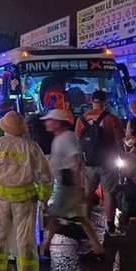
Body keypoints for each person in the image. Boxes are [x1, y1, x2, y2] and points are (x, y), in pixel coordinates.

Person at [0, 111, 52, 271]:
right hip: (26, 200)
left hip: (1, 198)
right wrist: (43, 196)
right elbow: (46, 176)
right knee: (25, 240)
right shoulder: (31, 147)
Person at [39, 109, 105, 262]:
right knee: (77, 217)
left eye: (50, 120)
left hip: (67, 184)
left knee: (55, 215)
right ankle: (97, 248)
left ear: (58, 122)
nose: (47, 123)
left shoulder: (66, 137)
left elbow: (75, 161)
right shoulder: (60, 137)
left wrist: (78, 185)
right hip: (66, 183)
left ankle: (45, 247)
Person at [74, 90, 126, 237]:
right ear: (105, 101)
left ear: (91, 101)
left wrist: (80, 161)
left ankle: (85, 225)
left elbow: (78, 142)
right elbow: (119, 141)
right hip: (108, 162)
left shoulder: (81, 119)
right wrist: (123, 156)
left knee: (88, 192)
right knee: (109, 193)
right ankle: (110, 227)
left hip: (88, 163)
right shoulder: (112, 119)